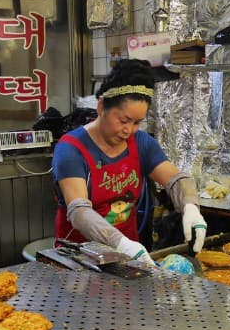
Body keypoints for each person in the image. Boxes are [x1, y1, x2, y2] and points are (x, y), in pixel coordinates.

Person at [52, 59, 206, 264]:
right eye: (124, 121)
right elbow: (79, 212)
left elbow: (176, 179)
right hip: (80, 260)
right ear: (101, 107)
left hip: (128, 259)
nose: (130, 130)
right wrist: (120, 243)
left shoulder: (141, 143)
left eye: (137, 122)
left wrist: (190, 206)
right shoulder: (70, 149)